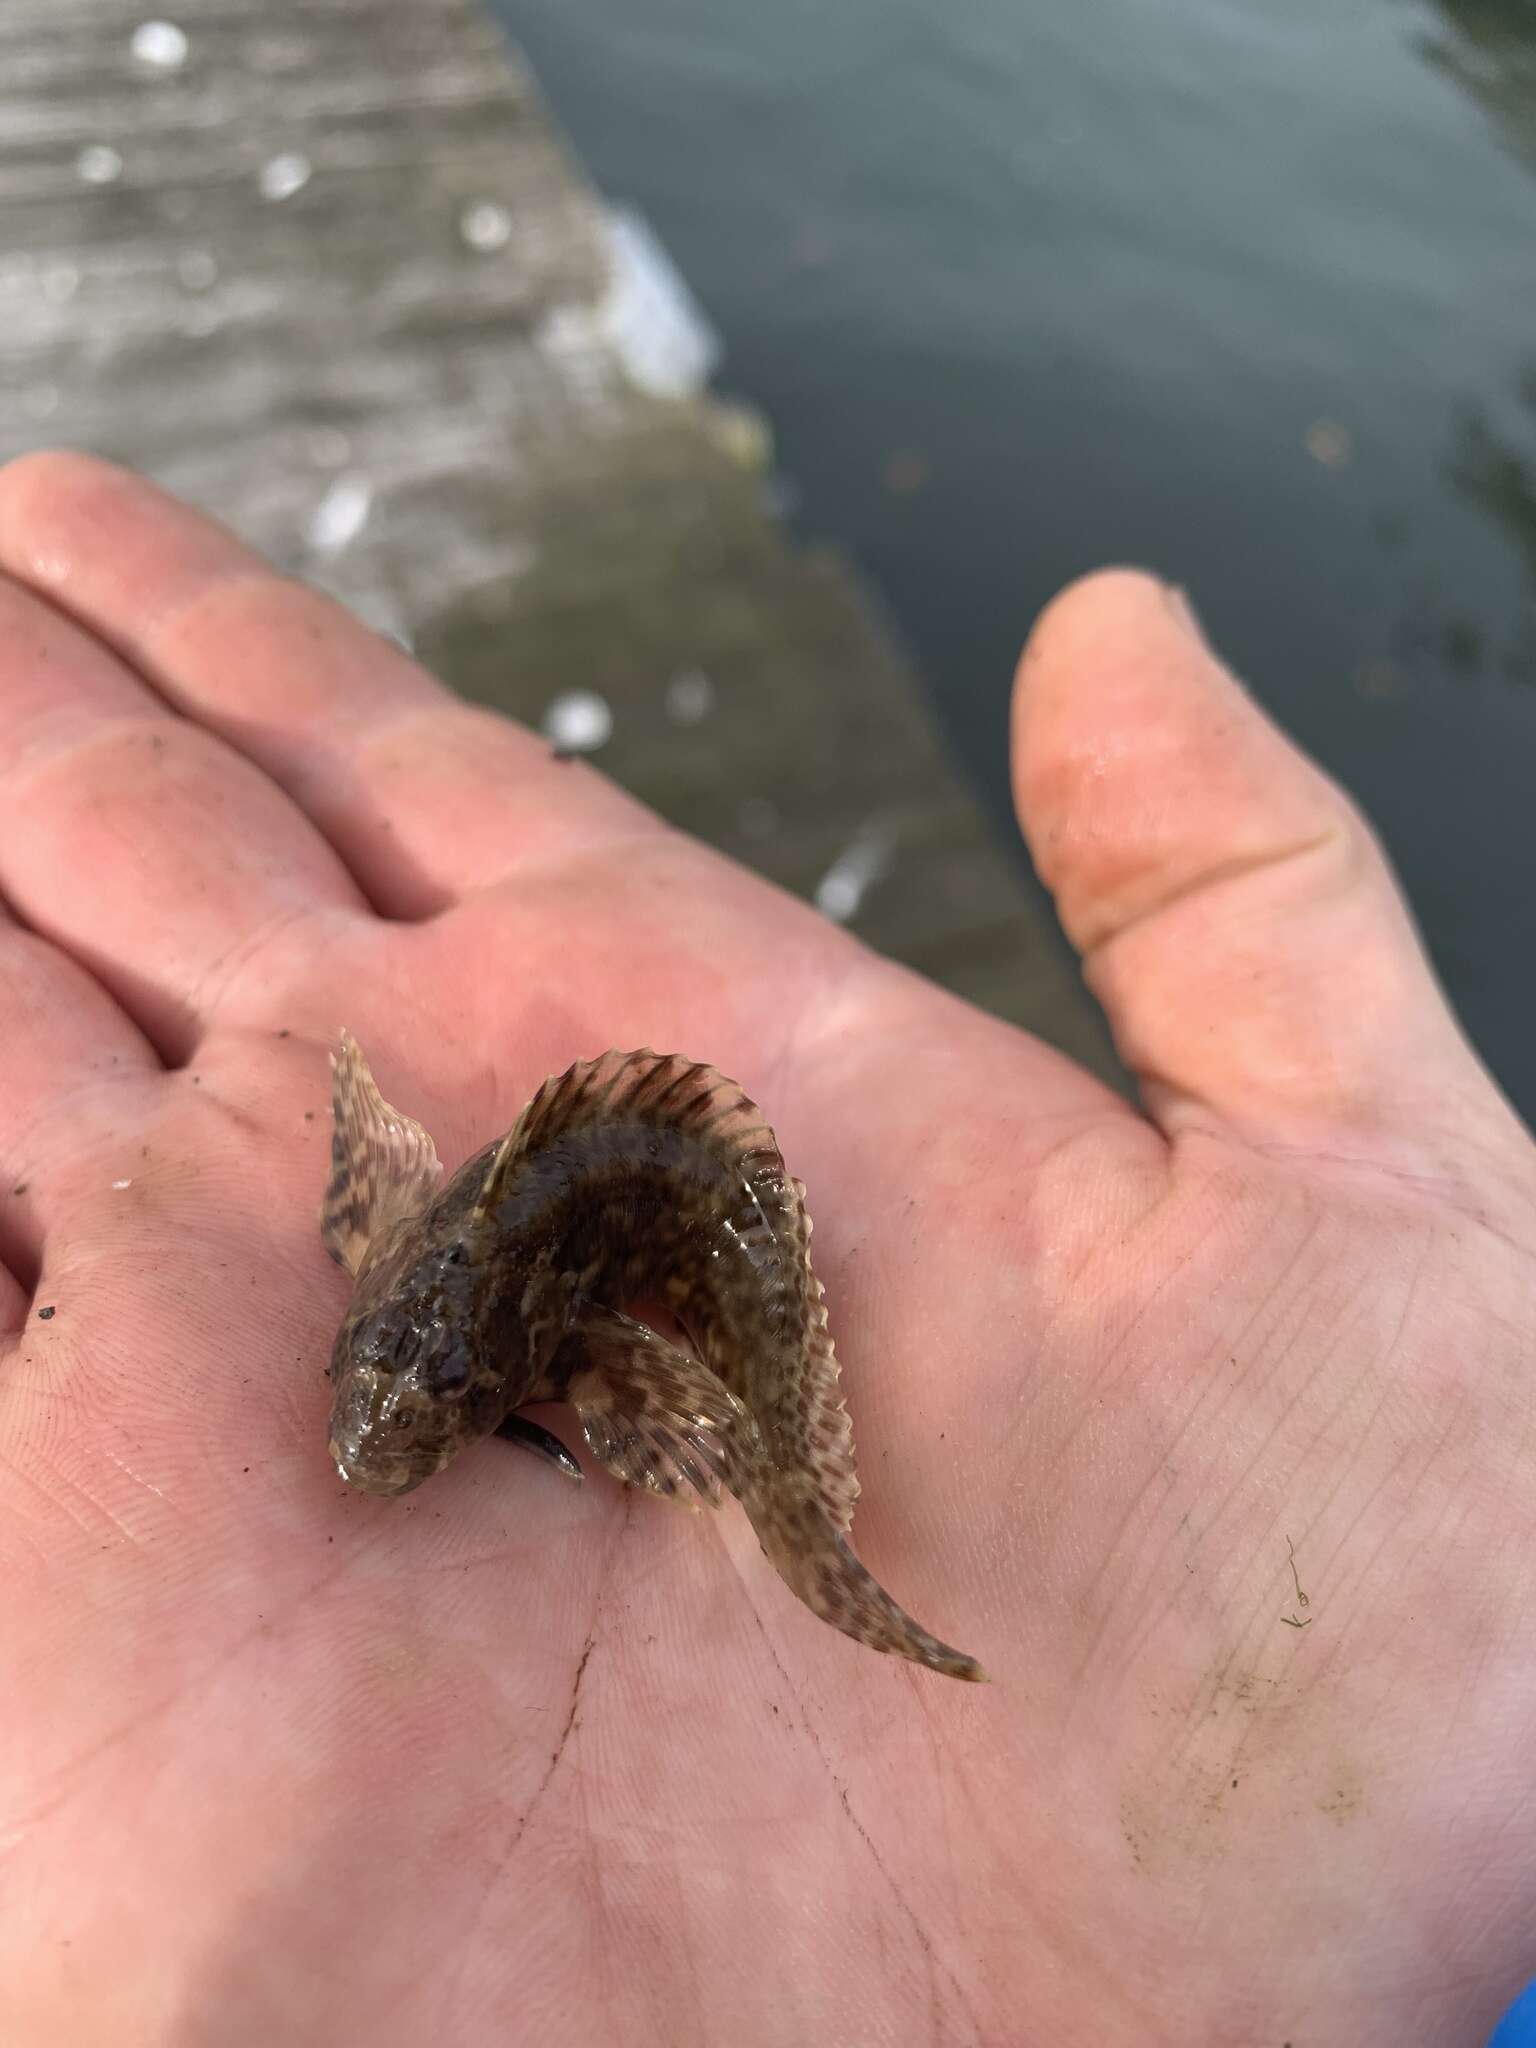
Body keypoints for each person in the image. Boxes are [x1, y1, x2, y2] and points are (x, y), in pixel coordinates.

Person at [0, 451, 1530, 2048]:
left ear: (553, 1361)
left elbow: (418, 1200)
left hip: (671, 1215)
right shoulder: (438, 1295)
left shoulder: (565, 1329)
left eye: (435, 1408)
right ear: (373, 1304)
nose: (382, 1430)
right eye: (386, 1382)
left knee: (780, 1437)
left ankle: (834, 1558)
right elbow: (387, 1182)